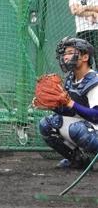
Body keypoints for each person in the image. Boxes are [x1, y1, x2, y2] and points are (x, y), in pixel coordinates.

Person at [38, 36, 98, 169]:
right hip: (89, 127)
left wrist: (71, 103)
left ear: (85, 57)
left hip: (94, 128)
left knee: (77, 129)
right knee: (47, 124)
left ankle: (91, 157)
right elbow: (71, 112)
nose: (65, 57)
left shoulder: (94, 81)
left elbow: (96, 115)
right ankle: (77, 159)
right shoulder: (70, 79)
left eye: (71, 53)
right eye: (65, 53)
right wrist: (53, 106)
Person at [69, 0, 98, 67]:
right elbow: (75, 11)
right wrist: (93, 13)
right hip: (83, 30)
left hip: (97, 29)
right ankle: (87, 83)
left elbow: (81, 9)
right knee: (84, 62)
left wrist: (85, 7)